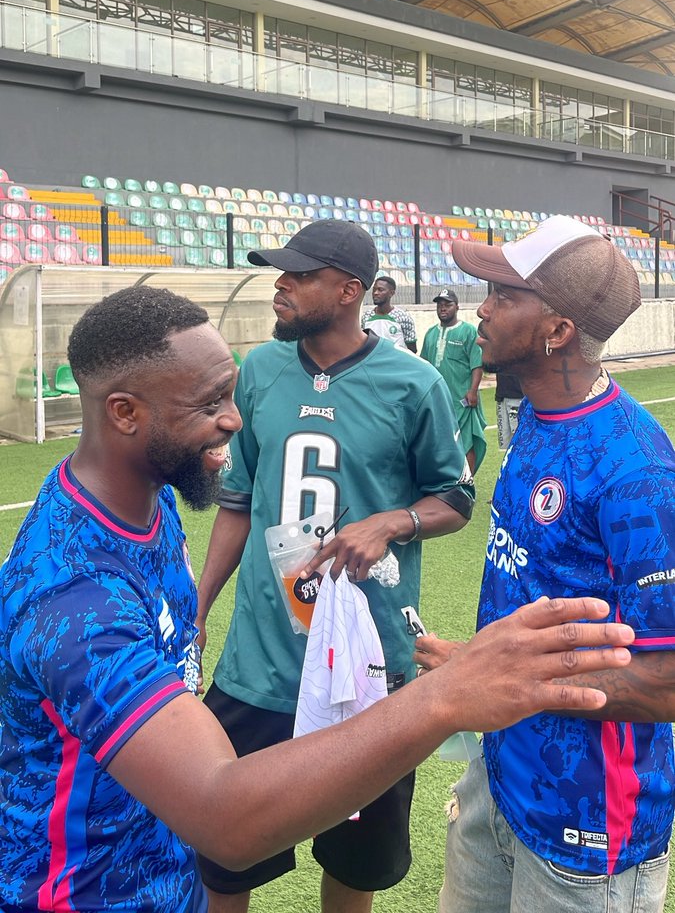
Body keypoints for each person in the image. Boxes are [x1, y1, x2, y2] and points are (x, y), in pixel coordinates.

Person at [0, 283, 637, 913]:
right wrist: (446, 696)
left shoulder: (147, 496)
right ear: (124, 412)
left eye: (230, 393)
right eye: (208, 404)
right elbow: (224, 814)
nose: (234, 419)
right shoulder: (74, 599)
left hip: (163, 880)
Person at [196, 219, 471, 912]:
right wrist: (199, 607)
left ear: (348, 291)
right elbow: (237, 503)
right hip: (259, 666)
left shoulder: (414, 384)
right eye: (279, 273)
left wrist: (394, 520)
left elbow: (455, 498)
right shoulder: (258, 370)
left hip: (365, 669)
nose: (279, 286)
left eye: (298, 275)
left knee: (357, 865)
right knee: (222, 856)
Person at [414, 215, 675, 913]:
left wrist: (507, 681)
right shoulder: (535, 415)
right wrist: (476, 666)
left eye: (502, 293)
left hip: (587, 828)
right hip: (498, 781)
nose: (482, 308)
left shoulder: (636, 471)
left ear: (556, 330)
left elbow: (669, 680)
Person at [420, 289, 487, 474]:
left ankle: (468, 482)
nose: (443, 308)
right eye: (440, 305)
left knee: (466, 441)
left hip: (462, 399)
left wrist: (473, 391)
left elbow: (477, 363)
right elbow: (424, 365)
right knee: (440, 441)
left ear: (457, 307)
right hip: (437, 399)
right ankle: (448, 481)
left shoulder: (468, 331)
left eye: (447, 305)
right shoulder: (431, 333)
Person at [361, 274, 417, 351]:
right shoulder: (366, 317)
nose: (375, 293)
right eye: (374, 289)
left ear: (391, 293)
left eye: (380, 290)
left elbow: (412, 349)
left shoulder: (402, 317)